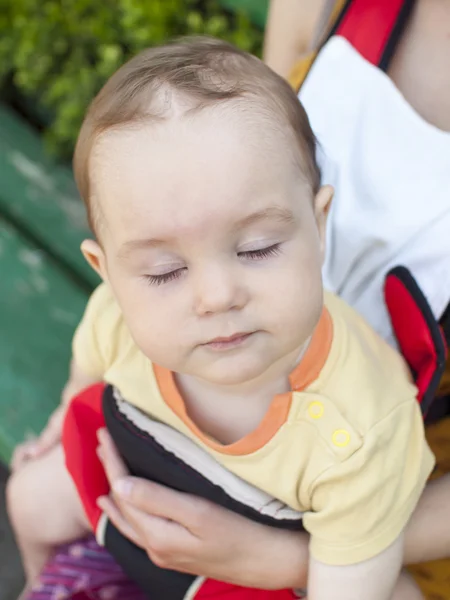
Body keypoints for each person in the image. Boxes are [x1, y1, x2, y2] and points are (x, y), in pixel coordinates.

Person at [5, 35, 441, 600]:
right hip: (138, 482)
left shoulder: (362, 428)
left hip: (279, 566)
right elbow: (89, 361)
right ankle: (53, 581)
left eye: (257, 248)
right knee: (28, 497)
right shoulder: (118, 316)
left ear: (319, 223)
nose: (217, 296)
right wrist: (66, 408)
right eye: (164, 272)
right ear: (108, 272)